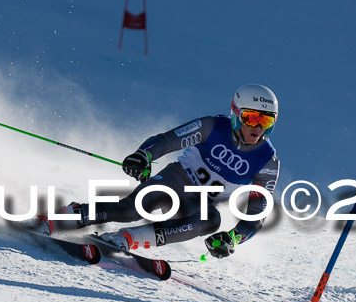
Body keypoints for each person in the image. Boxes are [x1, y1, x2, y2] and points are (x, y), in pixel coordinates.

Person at [36, 84, 280, 259]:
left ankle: (126, 239)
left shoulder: (267, 161)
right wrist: (144, 155)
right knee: (130, 209)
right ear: (236, 114)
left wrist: (233, 238)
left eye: (266, 121)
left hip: (199, 204)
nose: (257, 127)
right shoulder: (212, 126)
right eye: (252, 118)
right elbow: (169, 140)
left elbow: (258, 212)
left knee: (211, 221)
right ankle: (56, 219)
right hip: (176, 180)